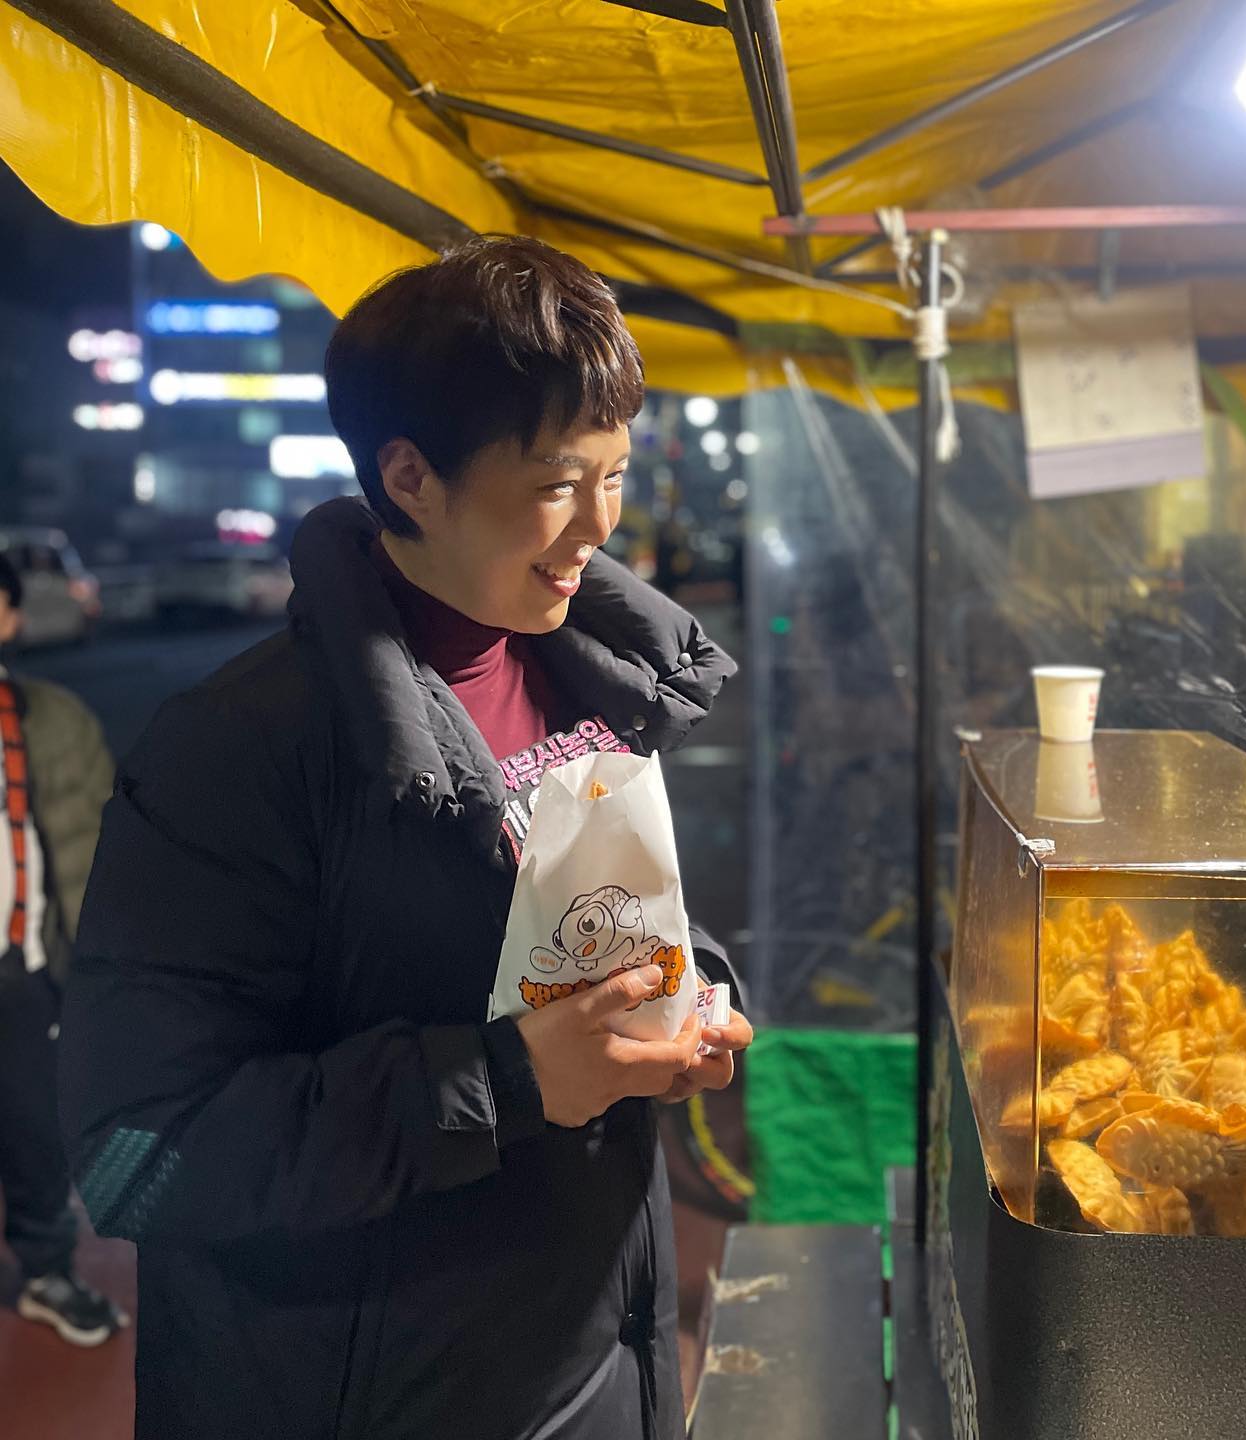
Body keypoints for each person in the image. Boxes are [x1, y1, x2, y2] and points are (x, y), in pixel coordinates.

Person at [59, 235, 752, 1439]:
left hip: (601, 1360)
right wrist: (509, 1081)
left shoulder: (597, 679)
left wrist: (686, 990)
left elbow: (588, 928)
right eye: (557, 484)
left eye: (617, 475)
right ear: (411, 477)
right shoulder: (238, 750)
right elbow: (134, 1152)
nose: (600, 525)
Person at [0, 554, 127, 1345]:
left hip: (23, 967)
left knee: (35, 1131)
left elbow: (97, 849)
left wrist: (97, 972)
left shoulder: (51, 719)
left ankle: (47, 1270)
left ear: (10, 618)